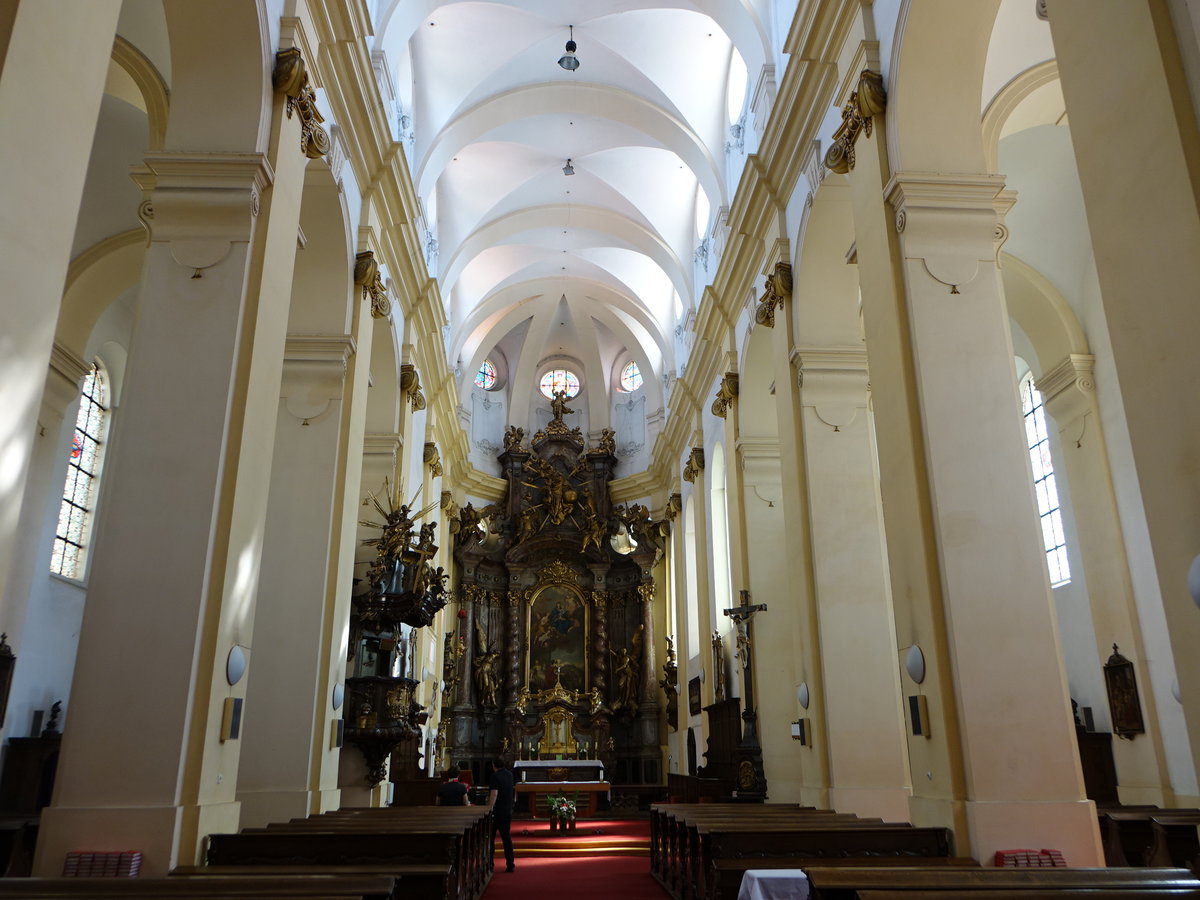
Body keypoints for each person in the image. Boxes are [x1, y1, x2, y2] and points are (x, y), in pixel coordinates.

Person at [488, 757, 516, 873]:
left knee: (491, 838)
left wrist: (489, 808)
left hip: (497, 811)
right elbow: (513, 790)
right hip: (507, 810)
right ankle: (510, 864)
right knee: (506, 838)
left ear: (494, 765)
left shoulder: (495, 776)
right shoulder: (509, 774)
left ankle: (490, 863)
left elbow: (494, 794)